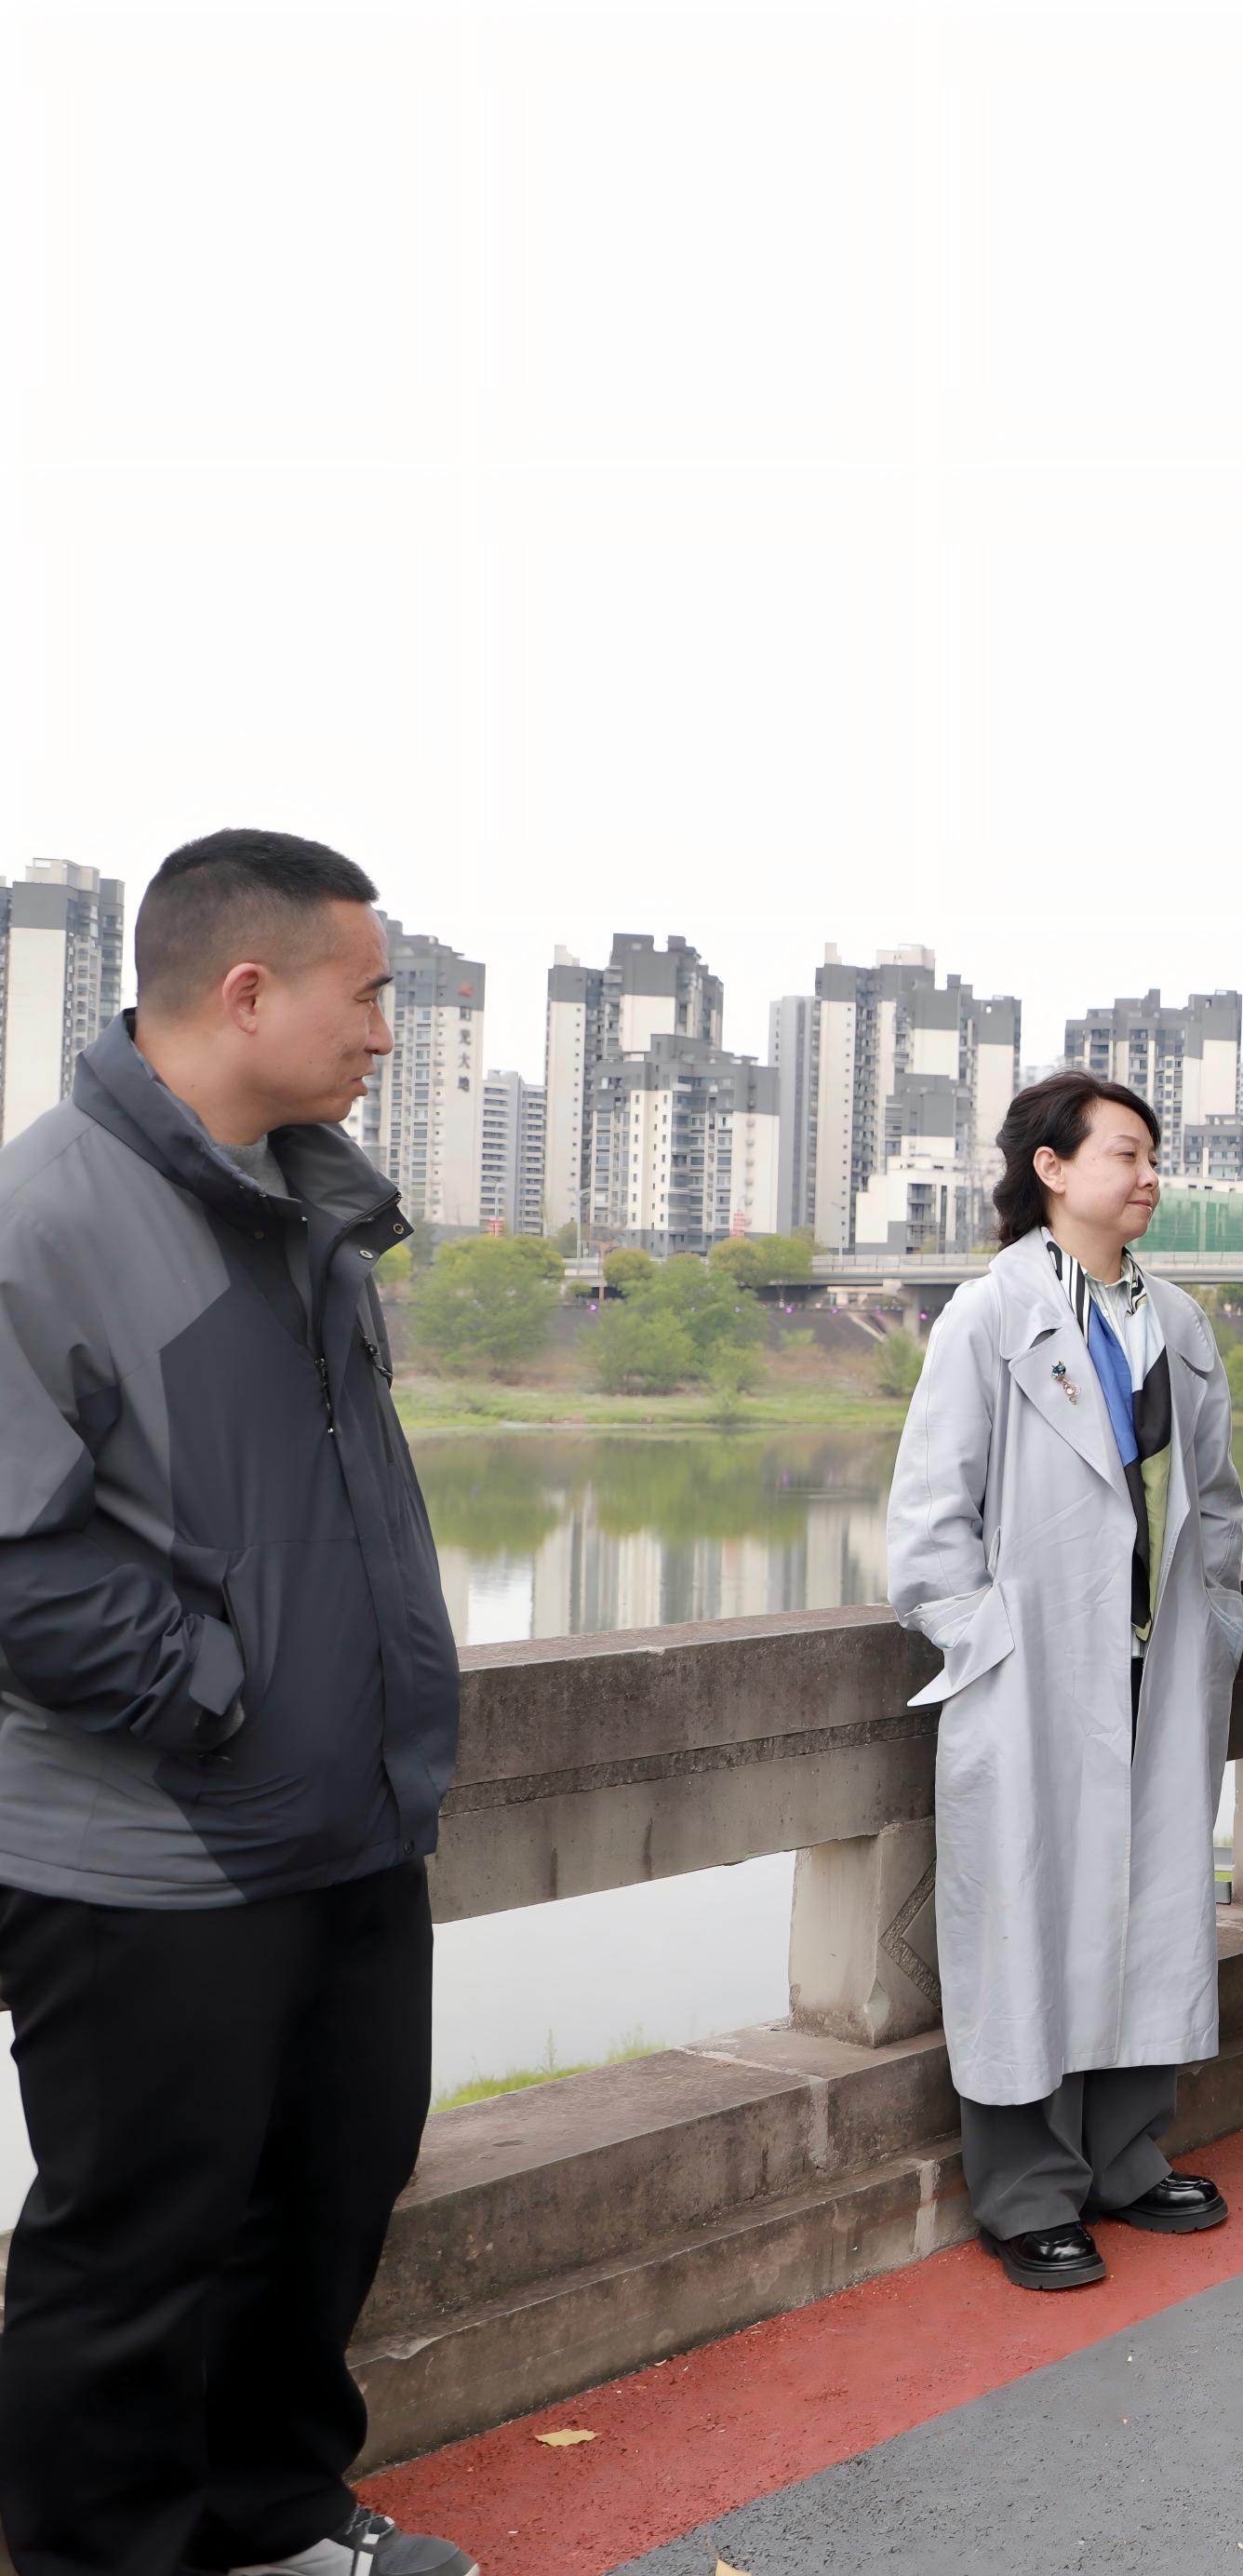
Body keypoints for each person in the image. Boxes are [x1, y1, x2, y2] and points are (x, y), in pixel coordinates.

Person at [0, 833, 480, 2576]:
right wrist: (219, 1698)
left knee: (328, 2194)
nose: (386, 1033)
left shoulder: (306, 1206)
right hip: (149, 1846)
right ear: (249, 990)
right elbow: (18, 1559)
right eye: (370, 994)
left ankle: (273, 2518)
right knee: (135, 2247)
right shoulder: (48, 1215)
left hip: (345, 1819)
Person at [888, 1071, 1243, 2291]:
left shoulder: (1176, 1320)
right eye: (1124, 1154)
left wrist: (1217, 1617)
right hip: (1034, 1669)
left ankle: (1126, 2158)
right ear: (1051, 1168)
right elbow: (929, 1515)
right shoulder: (991, 1313)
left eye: (1152, 1156)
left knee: (1148, 1904)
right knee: (1025, 1917)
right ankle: (1028, 2191)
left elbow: (1213, 1500)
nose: (1148, 1177)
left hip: (1157, 1660)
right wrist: (983, 1641)